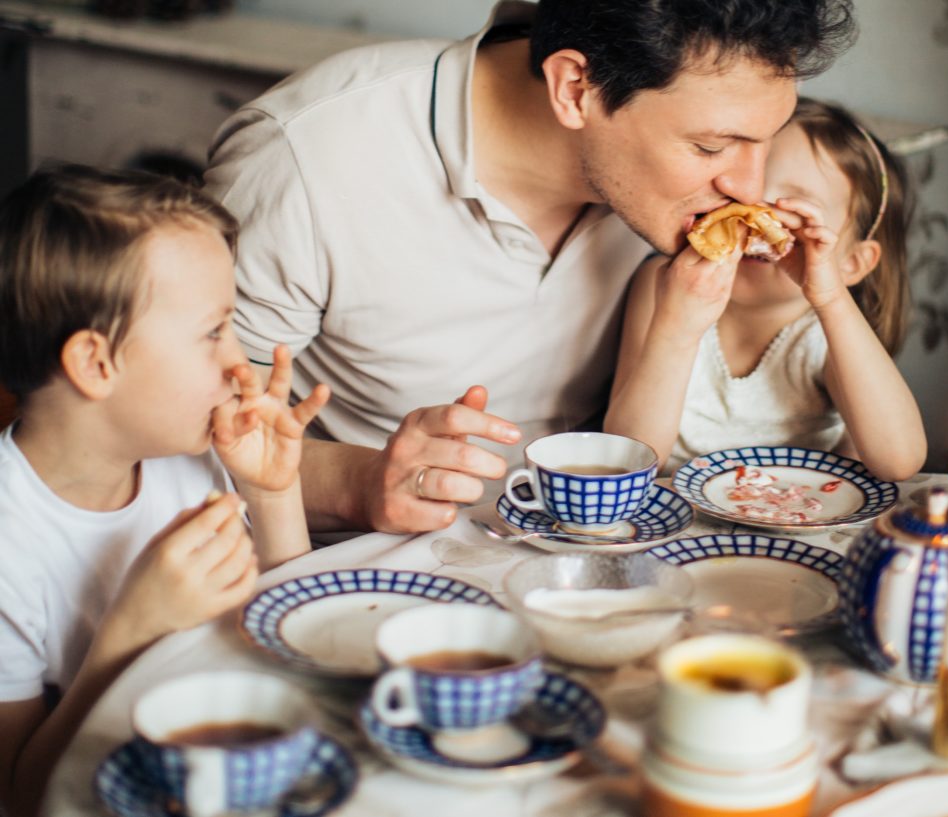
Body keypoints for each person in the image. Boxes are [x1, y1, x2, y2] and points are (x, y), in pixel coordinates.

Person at [204, 0, 858, 535]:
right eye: (712, 145)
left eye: (765, 140)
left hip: (599, 550)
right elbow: (188, 438)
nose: (750, 185)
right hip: (374, 573)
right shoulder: (306, 160)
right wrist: (359, 481)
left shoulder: (679, 197)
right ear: (576, 87)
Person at [0, 164, 329, 817]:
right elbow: (23, 794)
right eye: (214, 332)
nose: (244, 364)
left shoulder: (183, 459)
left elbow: (292, 652)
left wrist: (272, 493)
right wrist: (133, 628)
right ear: (97, 364)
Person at [604, 98, 927, 481]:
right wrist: (676, 329)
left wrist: (831, 298)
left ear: (851, 263)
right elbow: (627, 460)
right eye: (745, 199)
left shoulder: (826, 333)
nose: (756, 221)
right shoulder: (667, 285)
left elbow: (900, 461)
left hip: (797, 520)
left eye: (792, 211)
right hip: (680, 521)